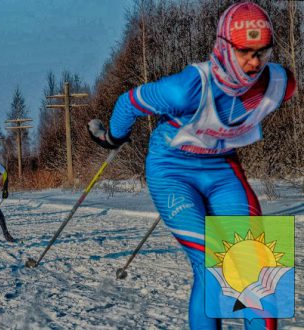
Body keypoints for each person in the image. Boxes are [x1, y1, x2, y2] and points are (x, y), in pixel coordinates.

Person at [87, 3, 296, 329]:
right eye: (245, 52)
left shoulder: (279, 84)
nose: (255, 62)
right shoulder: (187, 89)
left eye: (262, 52)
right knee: (212, 260)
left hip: (222, 171)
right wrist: (113, 138)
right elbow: (128, 102)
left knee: (255, 267)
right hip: (172, 171)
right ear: (225, 47)